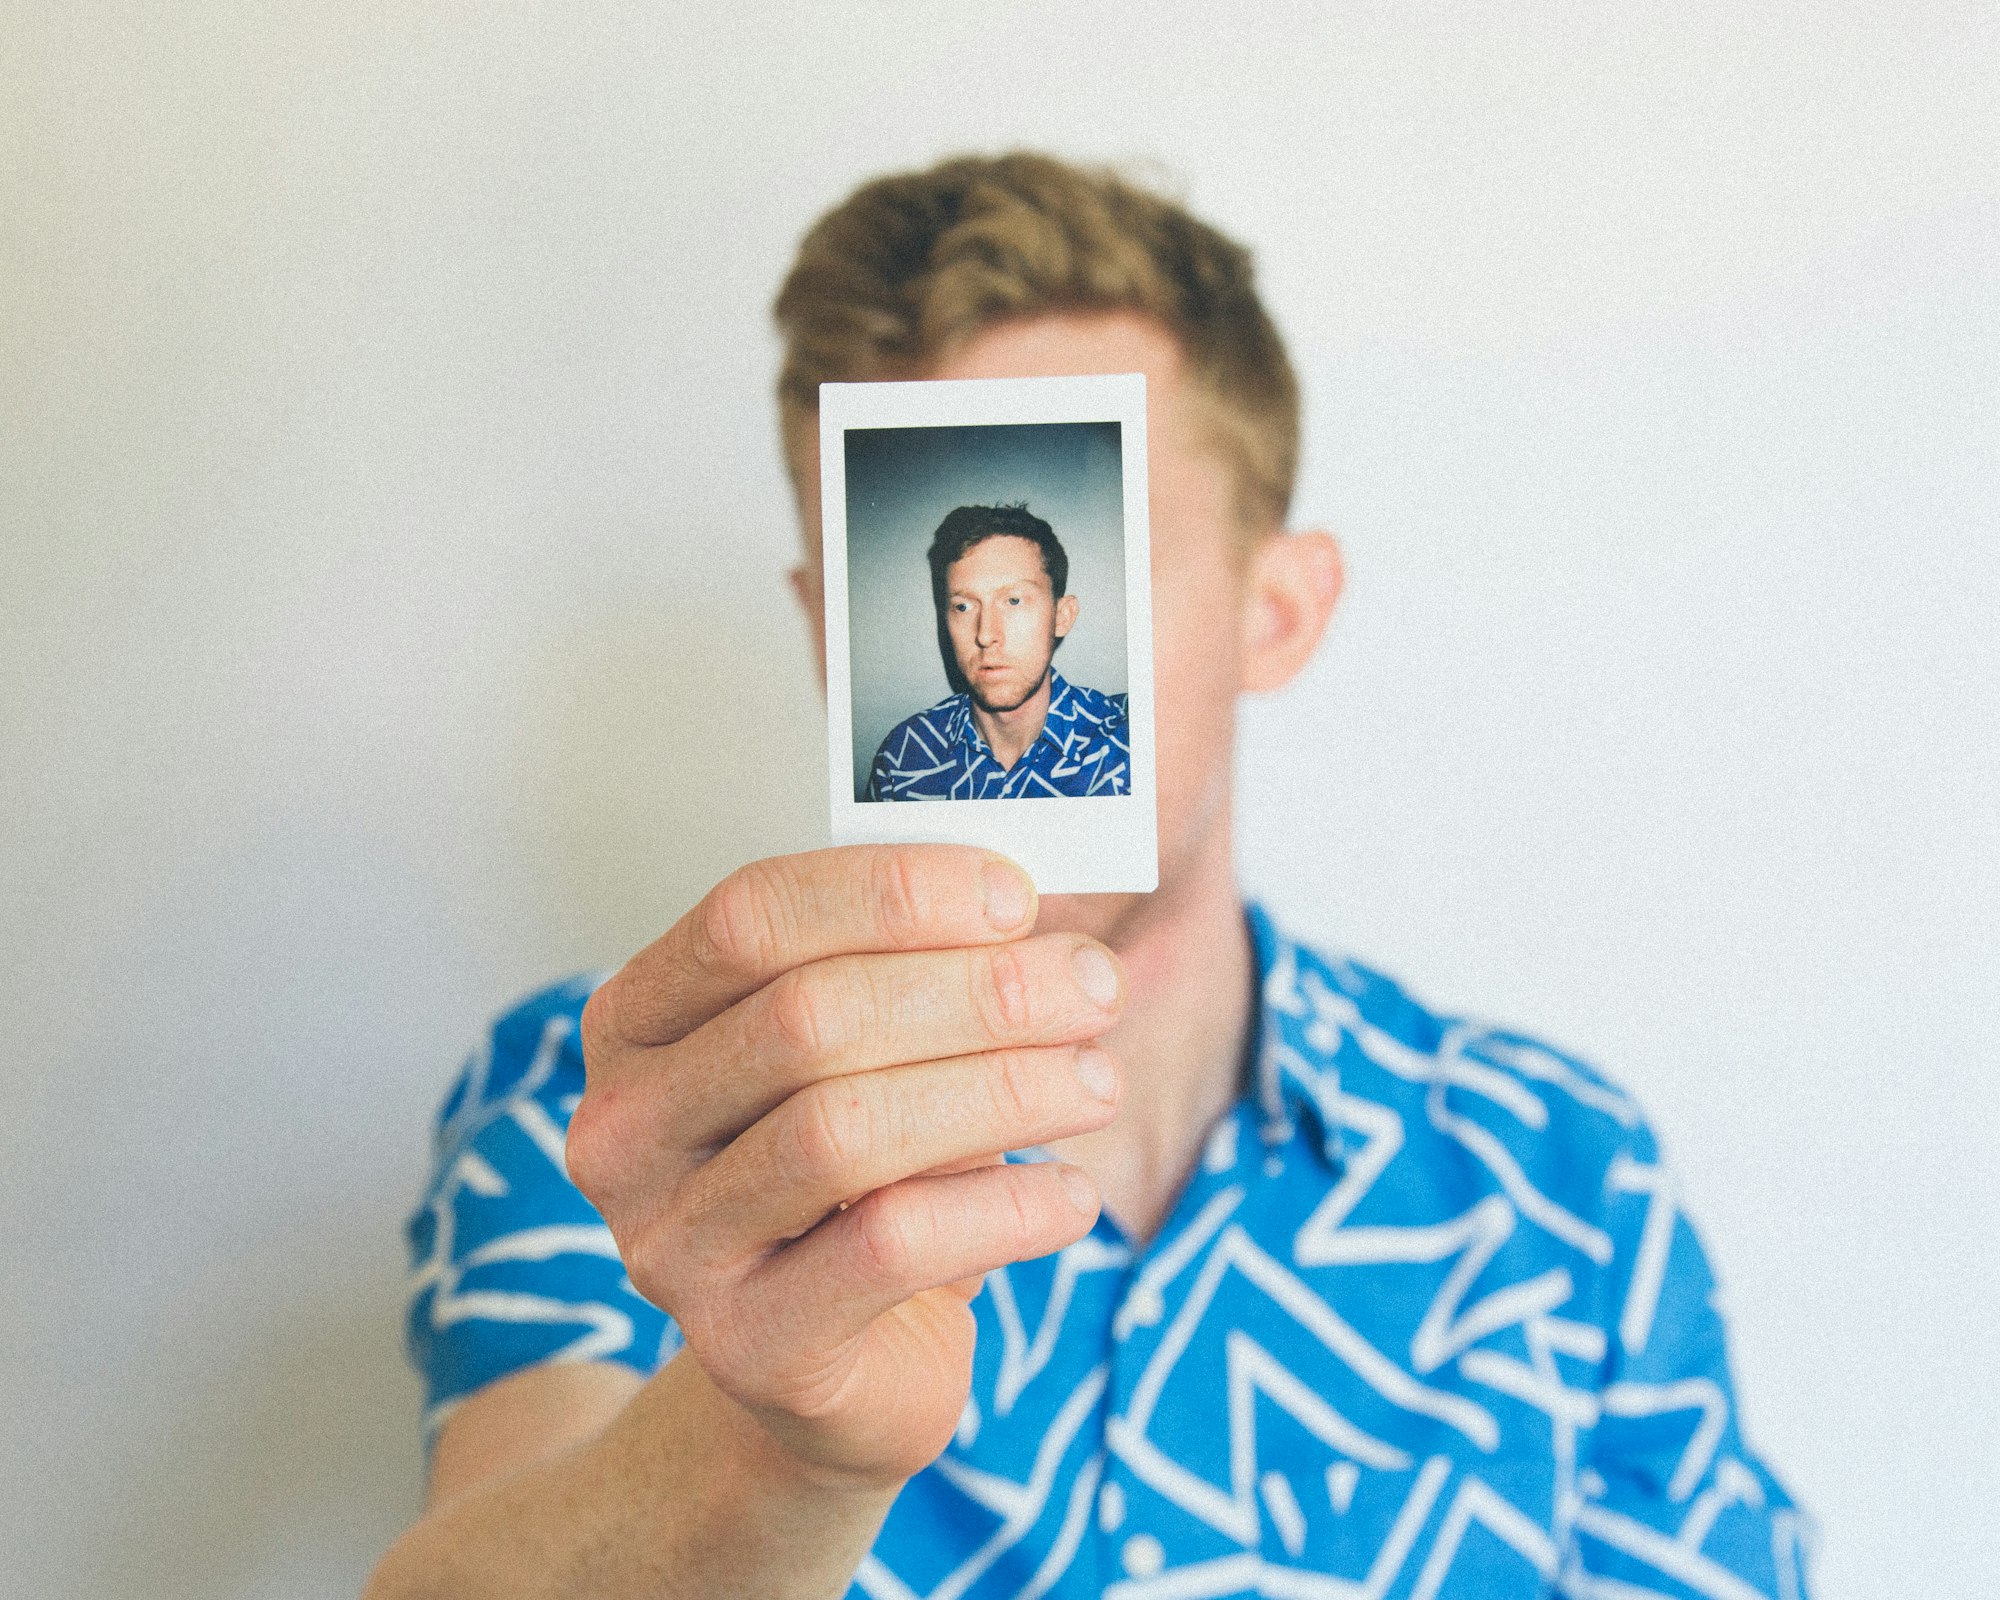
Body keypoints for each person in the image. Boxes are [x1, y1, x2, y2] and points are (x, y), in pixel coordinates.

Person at [367, 153, 1810, 1599]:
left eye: (1084, 578)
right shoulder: (623, 1105)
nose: (987, 644)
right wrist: (777, 1450)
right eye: (921, 601)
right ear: (833, 633)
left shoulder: (1558, 1181)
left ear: (1278, 609)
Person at [867, 501, 1131, 801]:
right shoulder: (903, 758)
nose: (985, 634)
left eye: (1014, 601)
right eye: (963, 606)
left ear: (1062, 616)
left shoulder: (1128, 749)